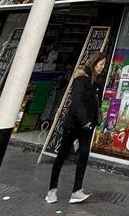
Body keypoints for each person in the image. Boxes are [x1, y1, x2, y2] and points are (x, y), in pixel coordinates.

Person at [46, 54, 107, 205]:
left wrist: (95, 119)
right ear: (93, 63)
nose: (102, 67)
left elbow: (95, 103)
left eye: (103, 65)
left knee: (83, 156)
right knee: (62, 156)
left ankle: (77, 191)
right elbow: (76, 102)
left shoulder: (97, 82)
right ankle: (52, 190)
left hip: (88, 126)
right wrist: (84, 120)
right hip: (74, 124)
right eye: (100, 64)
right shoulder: (81, 80)